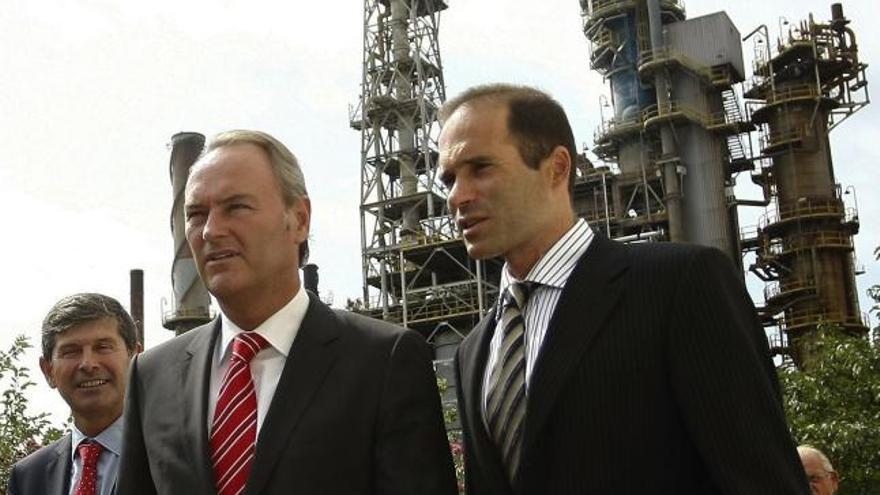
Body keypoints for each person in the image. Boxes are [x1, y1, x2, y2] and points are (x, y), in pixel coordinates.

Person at [437, 84, 811, 494]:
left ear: (557, 167)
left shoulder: (677, 286)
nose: (458, 196)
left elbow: (763, 478)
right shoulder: (475, 351)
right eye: (449, 179)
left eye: (481, 168)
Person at [118, 130, 456, 495]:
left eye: (236, 207)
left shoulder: (382, 360)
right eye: (197, 214)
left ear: (299, 218)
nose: (211, 231)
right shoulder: (152, 376)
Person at [7, 293, 141, 495]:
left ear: (136, 358)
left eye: (103, 347)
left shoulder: (177, 456)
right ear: (48, 371)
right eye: (71, 351)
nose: (88, 364)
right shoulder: (28, 476)